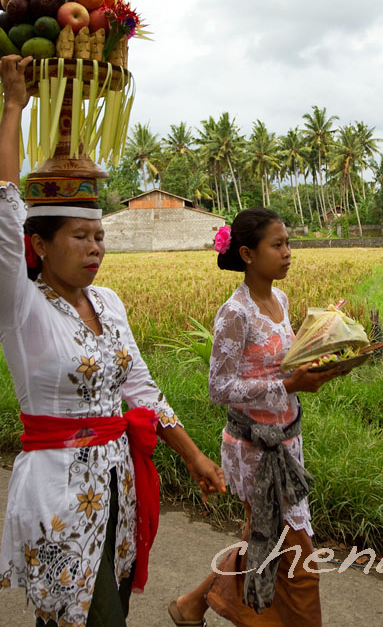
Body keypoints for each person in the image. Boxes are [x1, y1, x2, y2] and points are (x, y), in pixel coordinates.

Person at [0, 55, 226, 627]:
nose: (96, 247)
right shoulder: (21, 306)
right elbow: (3, 208)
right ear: (41, 246)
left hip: (118, 483)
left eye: (100, 236)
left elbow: (142, 391)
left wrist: (194, 456)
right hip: (57, 492)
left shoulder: (109, 303)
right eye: (80, 236)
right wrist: (13, 108)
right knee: (82, 617)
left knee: (106, 611)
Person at [168, 207, 348, 627]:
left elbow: (279, 368)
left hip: (287, 437)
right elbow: (219, 388)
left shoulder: (280, 301)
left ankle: (194, 603)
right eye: (278, 244)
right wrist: (288, 385)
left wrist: (318, 366)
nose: (289, 252)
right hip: (255, 449)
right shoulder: (236, 313)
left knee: (263, 538)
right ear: (247, 254)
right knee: (297, 557)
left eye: (289, 244)